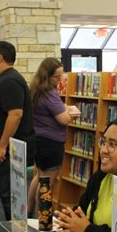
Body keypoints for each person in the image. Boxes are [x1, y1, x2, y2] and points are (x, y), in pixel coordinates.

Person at [0, 40, 35, 219]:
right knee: (7, 194)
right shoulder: (3, 79)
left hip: (8, 152)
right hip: (1, 151)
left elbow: (15, 114)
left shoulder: (10, 80)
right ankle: (14, 228)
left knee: (11, 195)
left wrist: (2, 146)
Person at [27, 58, 77, 215]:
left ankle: (30, 212)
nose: (60, 79)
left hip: (39, 141)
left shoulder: (36, 89)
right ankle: (44, 221)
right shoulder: (50, 93)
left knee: (40, 177)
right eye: (57, 76)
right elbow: (63, 119)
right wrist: (71, 113)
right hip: (51, 144)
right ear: (47, 76)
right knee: (47, 184)